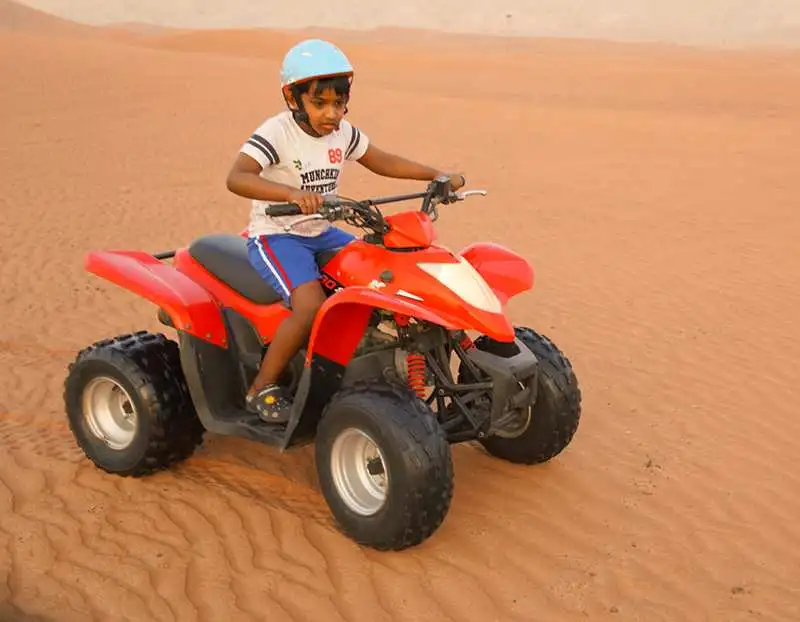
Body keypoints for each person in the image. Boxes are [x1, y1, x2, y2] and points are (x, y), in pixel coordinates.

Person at [226, 38, 465, 423]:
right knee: (309, 306)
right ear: (294, 99)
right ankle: (262, 388)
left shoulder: (343, 133)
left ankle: (362, 365)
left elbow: (381, 160)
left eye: (338, 103)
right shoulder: (277, 132)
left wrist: (434, 174)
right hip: (278, 235)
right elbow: (237, 177)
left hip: (323, 232)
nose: (331, 113)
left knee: (377, 277)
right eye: (319, 103)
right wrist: (290, 192)